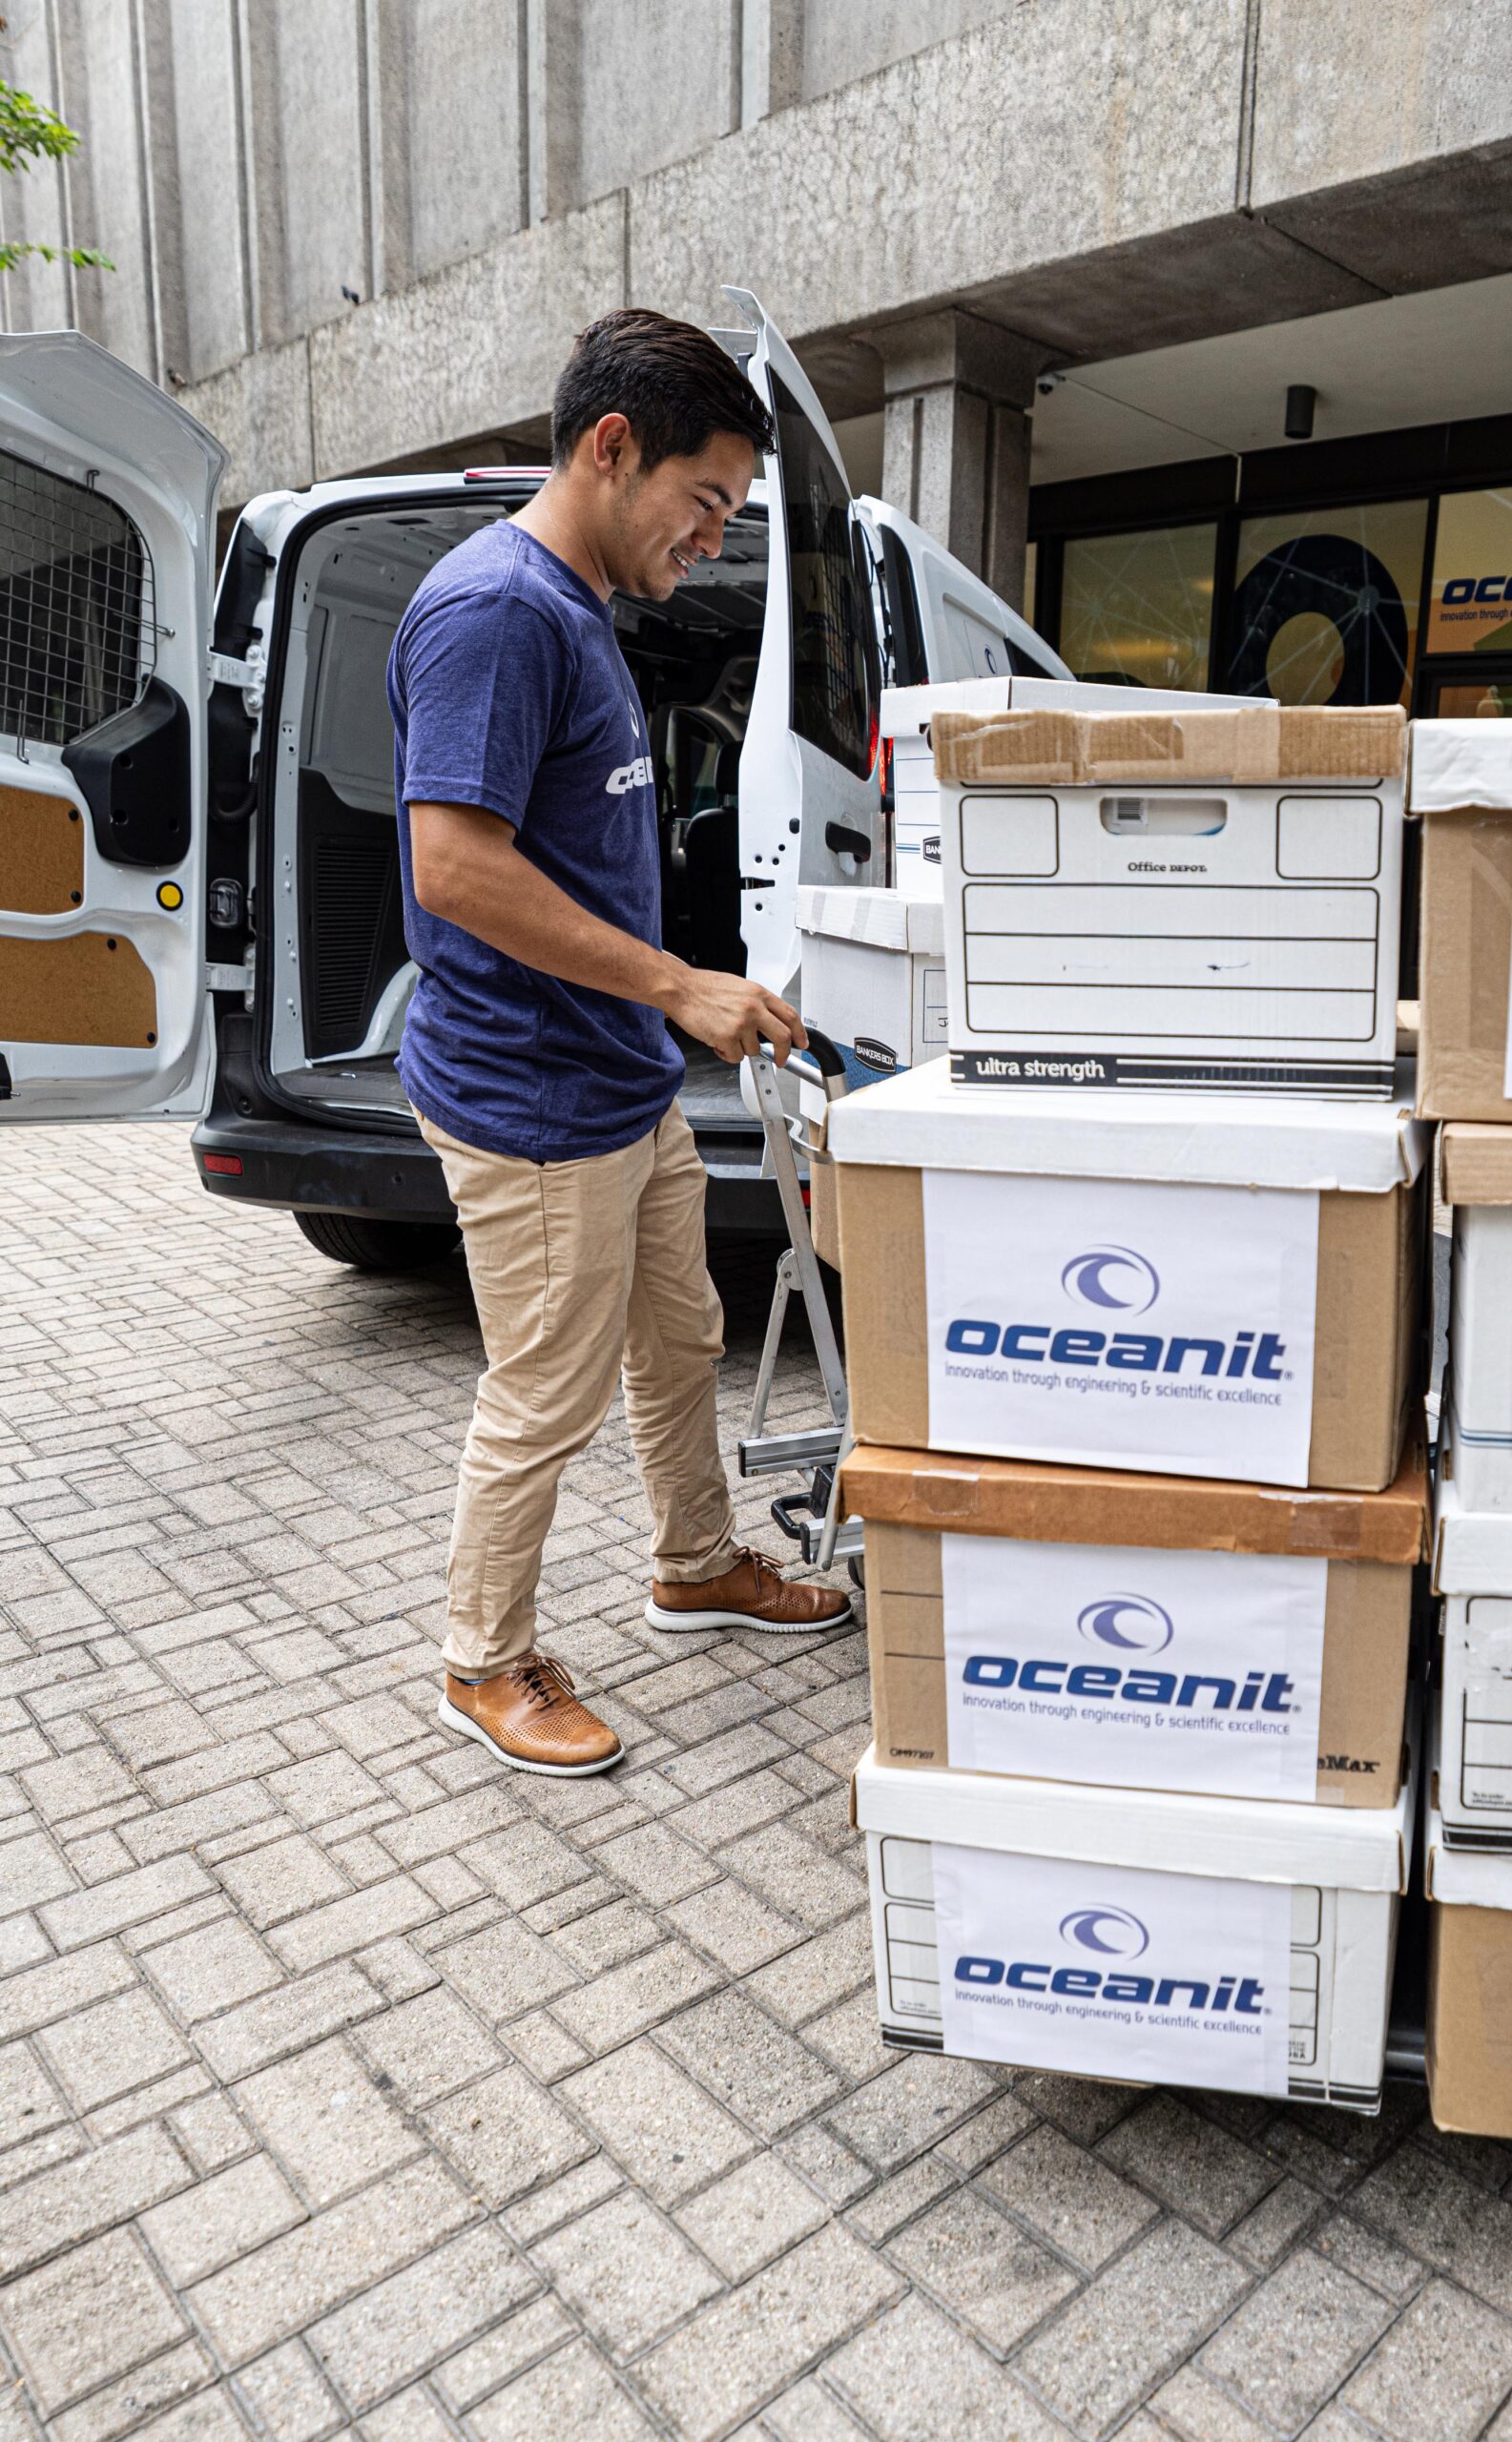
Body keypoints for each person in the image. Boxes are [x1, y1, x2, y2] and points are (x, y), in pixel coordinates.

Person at [390, 306, 849, 1778]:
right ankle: (483, 1658)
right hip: (532, 1097)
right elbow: (453, 867)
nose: (710, 538)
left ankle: (695, 1564)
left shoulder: (574, 609)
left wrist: (670, 998)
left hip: (618, 1080)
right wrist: (677, 985)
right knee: (546, 1389)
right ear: (610, 449)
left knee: (680, 1341)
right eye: (703, 501)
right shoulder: (499, 611)